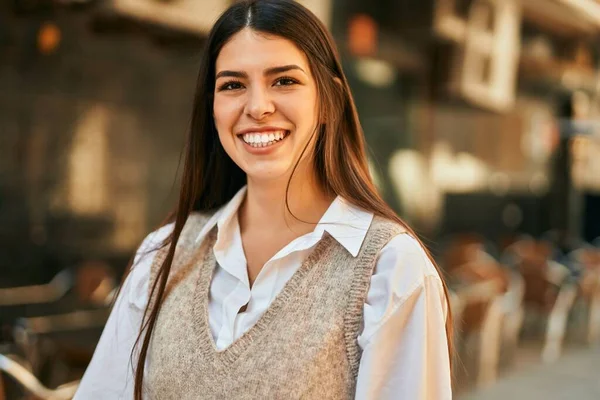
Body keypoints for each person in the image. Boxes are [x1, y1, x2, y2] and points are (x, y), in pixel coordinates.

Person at [74, 1, 452, 398]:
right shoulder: (162, 256)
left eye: (284, 81)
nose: (257, 107)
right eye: (233, 85)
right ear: (213, 108)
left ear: (330, 101)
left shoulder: (389, 271)